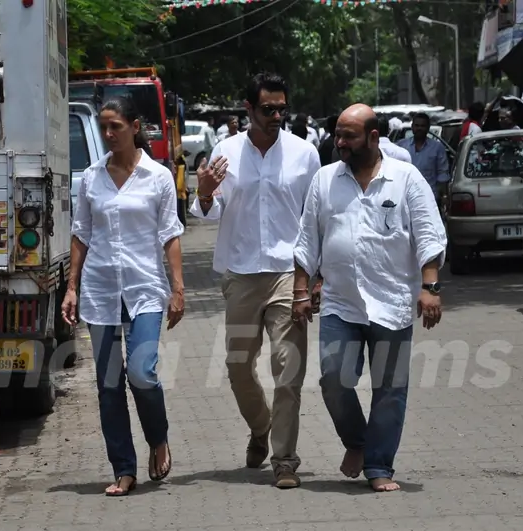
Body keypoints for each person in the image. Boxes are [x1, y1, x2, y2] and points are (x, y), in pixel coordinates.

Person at [292, 103, 446, 493]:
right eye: (338, 134)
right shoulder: (325, 180)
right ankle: (358, 442)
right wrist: (300, 292)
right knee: (333, 379)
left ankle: (379, 466)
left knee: (390, 388)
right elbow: (307, 240)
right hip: (341, 302)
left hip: (391, 302)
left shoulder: (405, 178)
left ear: (374, 138)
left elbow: (429, 234)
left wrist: (429, 288)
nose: (339, 142)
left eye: (349, 136)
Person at [189, 72, 321, 489]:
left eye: (282, 108)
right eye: (268, 109)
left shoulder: (305, 154)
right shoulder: (225, 152)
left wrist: (317, 278)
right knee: (238, 367)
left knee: (288, 368)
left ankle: (284, 459)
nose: (277, 116)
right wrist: (206, 193)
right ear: (249, 110)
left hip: (289, 274)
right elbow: (207, 212)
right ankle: (260, 427)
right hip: (242, 275)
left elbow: (316, 219)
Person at [63, 95, 186, 497]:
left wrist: (178, 287)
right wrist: (71, 286)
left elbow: (170, 233)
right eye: (104, 127)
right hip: (100, 290)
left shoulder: (158, 176)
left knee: (142, 372)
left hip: (146, 288)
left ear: (136, 127)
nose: (109, 133)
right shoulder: (92, 177)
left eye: (116, 125)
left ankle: (158, 436)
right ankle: (124, 469)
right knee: (109, 384)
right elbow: (82, 233)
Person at [397, 112, 450, 201]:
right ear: (412, 127)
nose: (419, 128)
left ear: (428, 128)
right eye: (417, 125)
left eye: (423, 126)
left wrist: (444, 197)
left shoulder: (437, 148)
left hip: (429, 198)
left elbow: (442, 174)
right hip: (405, 197)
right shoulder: (401, 146)